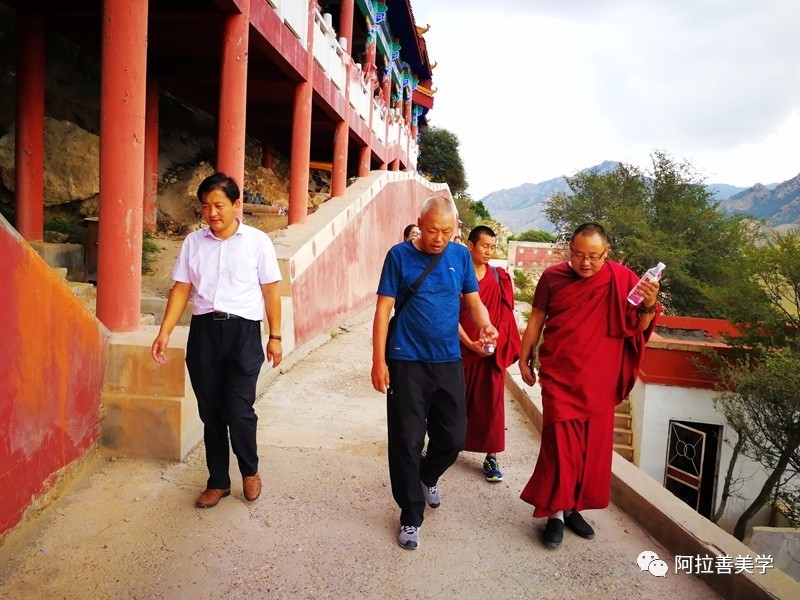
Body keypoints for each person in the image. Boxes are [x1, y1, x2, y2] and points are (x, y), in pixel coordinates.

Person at [517, 222, 660, 549]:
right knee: (559, 448)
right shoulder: (553, 278)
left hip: (599, 379)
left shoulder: (622, 279)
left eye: (593, 257)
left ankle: (572, 508)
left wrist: (650, 305)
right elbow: (537, 318)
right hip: (560, 376)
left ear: (606, 253)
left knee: (588, 451)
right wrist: (524, 358)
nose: (585, 263)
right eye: (578, 255)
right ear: (569, 249)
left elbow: (638, 326)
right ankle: (553, 513)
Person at [372, 195, 498, 551]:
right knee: (406, 440)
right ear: (419, 223)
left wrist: (485, 325)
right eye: (431, 231)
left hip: (447, 360)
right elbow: (383, 311)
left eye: (446, 231)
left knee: (454, 438)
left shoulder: (460, 256)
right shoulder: (398, 256)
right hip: (406, 359)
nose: (438, 238)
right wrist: (377, 361)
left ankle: (427, 475)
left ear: (455, 229)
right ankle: (411, 514)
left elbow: (472, 301)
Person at [151, 172, 283, 509]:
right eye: (206, 206)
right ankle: (218, 482)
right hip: (205, 334)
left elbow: (270, 290)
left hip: (243, 334)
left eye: (220, 205)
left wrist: (276, 336)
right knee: (211, 413)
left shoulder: (257, 242)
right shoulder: (193, 243)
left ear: (237, 205)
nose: (212, 213)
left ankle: (249, 470)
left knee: (238, 410)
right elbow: (182, 288)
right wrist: (164, 331)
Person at [458, 226, 521, 482]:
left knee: (492, 405)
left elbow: (507, 314)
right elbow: (450, 314)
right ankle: (444, 445)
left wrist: (497, 341)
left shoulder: (499, 276)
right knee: (451, 401)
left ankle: (491, 456)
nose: (488, 251)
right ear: (470, 246)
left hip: (490, 352)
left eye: (493, 247)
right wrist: (469, 342)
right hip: (461, 349)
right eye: (484, 246)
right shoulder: (457, 275)